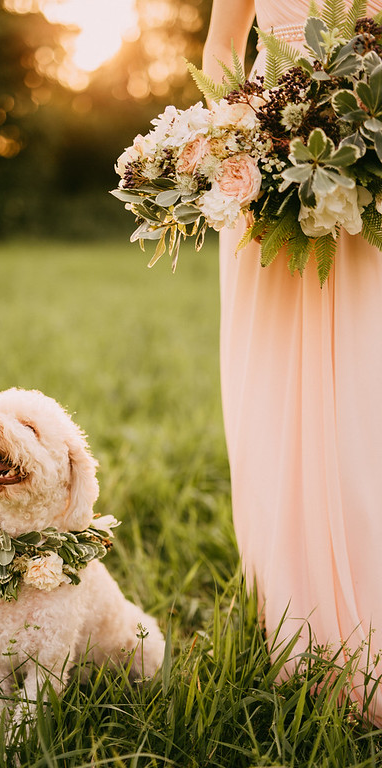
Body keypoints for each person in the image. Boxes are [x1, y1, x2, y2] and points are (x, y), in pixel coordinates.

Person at [203, 0, 382, 725]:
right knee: (275, 401)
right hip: (264, 178)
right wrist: (217, 141)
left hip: (367, 168)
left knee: (366, 389)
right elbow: (221, 44)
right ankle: (304, 635)